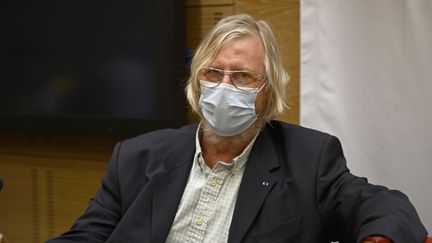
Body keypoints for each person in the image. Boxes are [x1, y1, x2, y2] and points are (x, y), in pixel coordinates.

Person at [47, 14, 428, 243]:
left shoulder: (309, 159)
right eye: (213, 73)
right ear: (197, 82)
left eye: (243, 76)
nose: (224, 86)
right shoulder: (136, 156)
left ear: (269, 89)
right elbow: (86, 237)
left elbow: (382, 205)